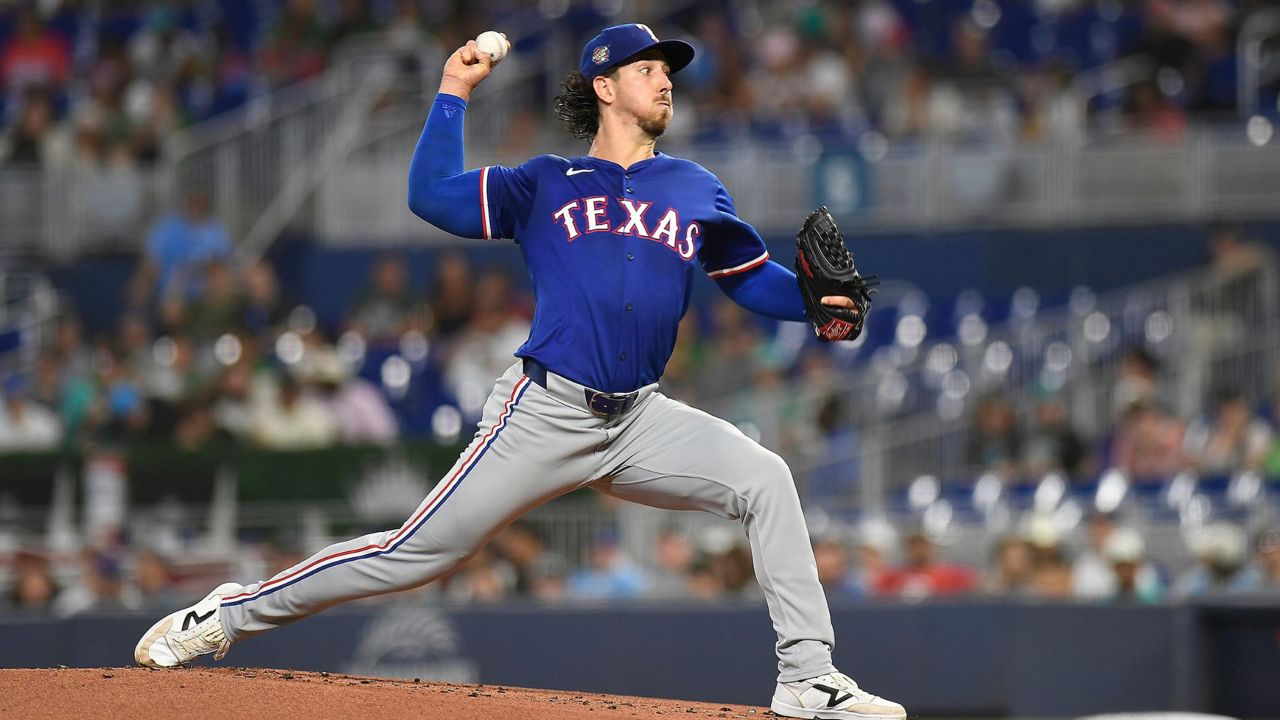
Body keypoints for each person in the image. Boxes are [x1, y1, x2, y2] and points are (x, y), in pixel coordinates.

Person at [134, 24, 905, 719]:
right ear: (605, 85)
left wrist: (812, 301)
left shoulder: (694, 187)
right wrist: (454, 91)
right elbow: (430, 197)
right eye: (649, 68)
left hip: (640, 418)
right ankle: (226, 615)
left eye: (670, 70)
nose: (666, 79)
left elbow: (748, 276)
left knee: (765, 478)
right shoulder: (544, 183)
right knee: (412, 555)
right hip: (545, 412)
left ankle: (807, 676)